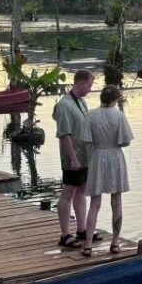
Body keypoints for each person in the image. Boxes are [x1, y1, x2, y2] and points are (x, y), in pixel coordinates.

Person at [82, 84, 134, 257]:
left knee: (94, 204)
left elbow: (86, 140)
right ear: (116, 99)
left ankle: (88, 244)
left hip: (97, 157)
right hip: (114, 157)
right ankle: (114, 243)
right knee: (116, 202)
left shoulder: (90, 115)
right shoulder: (119, 116)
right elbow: (125, 141)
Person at [53, 69, 96, 248]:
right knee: (68, 192)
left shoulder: (81, 102)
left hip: (85, 156)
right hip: (73, 157)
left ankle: (82, 229)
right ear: (80, 83)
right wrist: (72, 158)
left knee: (82, 190)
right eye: (89, 85)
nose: (90, 89)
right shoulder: (65, 104)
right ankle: (65, 234)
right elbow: (64, 134)